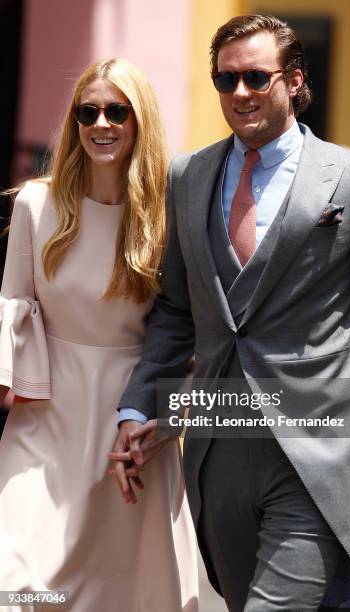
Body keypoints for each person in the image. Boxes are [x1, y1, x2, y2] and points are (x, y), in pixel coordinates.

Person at [111, 14, 350, 612]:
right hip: (219, 444)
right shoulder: (187, 178)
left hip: (317, 446)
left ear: (293, 80)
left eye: (255, 77)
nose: (239, 93)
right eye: (225, 80)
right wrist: (141, 405)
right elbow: (174, 311)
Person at [0, 58, 198, 611]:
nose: (101, 123)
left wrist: (167, 417)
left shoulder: (165, 216)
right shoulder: (35, 206)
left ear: (140, 121)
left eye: (117, 111)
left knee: (117, 594)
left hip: (127, 427)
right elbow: (13, 308)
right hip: (45, 422)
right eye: (88, 111)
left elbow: (179, 329)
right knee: (16, 579)